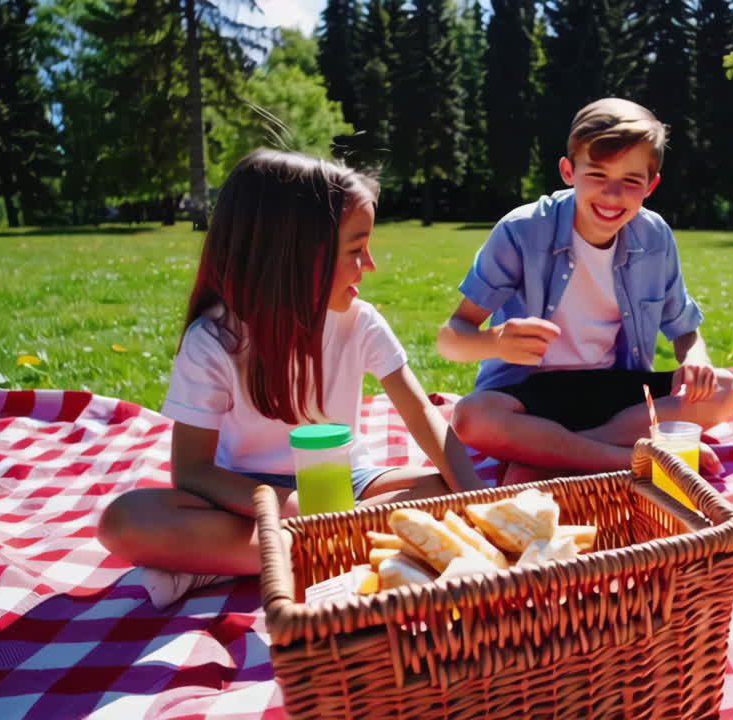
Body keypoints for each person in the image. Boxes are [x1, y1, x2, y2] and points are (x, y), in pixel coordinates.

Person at [99, 150, 484, 607]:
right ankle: (326, 546)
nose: (372, 265)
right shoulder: (215, 341)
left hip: (347, 484)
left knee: (442, 488)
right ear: (295, 257)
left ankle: (237, 564)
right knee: (125, 520)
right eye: (357, 250)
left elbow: (422, 412)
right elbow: (192, 470)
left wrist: (476, 498)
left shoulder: (360, 322)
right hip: (243, 495)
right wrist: (287, 506)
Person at [437, 98, 733, 482]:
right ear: (568, 170)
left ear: (652, 184)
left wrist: (698, 360)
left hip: (617, 392)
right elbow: (451, 338)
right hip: (530, 395)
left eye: (631, 181)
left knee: (723, 390)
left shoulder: (655, 235)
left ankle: (550, 458)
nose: (612, 196)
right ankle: (634, 459)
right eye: (596, 174)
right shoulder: (522, 230)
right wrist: (495, 341)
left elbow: (684, 329)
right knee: (471, 417)